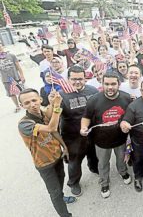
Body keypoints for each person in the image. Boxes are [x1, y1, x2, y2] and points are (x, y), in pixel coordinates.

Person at [18, 88, 75, 217]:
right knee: (54, 192)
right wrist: (56, 106)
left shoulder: (43, 113)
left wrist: (64, 147)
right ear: (22, 106)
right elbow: (51, 127)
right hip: (44, 164)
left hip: (56, 156)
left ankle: (61, 197)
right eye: (27, 103)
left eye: (34, 100)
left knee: (61, 181)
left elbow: (54, 132)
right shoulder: (24, 123)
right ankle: (65, 214)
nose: (32, 104)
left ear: (40, 100)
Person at [80, 72, 132, 198]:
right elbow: (86, 117)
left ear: (119, 84)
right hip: (101, 141)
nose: (110, 87)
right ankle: (104, 183)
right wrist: (83, 127)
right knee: (103, 163)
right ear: (102, 84)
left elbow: (131, 116)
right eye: (106, 84)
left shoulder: (127, 98)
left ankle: (123, 172)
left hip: (121, 139)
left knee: (121, 160)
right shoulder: (94, 100)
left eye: (113, 84)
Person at [59, 66, 99, 196]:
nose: (77, 82)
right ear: (68, 79)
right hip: (72, 135)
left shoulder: (92, 90)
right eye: (74, 79)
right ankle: (74, 182)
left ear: (85, 78)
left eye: (80, 79)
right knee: (74, 161)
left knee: (93, 153)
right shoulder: (60, 95)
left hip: (91, 132)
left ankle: (94, 168)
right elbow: (51, 117)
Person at [0, 42, 26, 112]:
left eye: (0, 47)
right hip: (6, 79)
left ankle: (23, 103)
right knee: (11, 93)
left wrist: (22, 76)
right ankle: (17, 106)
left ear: (2, 47)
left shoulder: (11, 55)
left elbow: (18, 67)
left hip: (15, 77)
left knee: (21, 91)